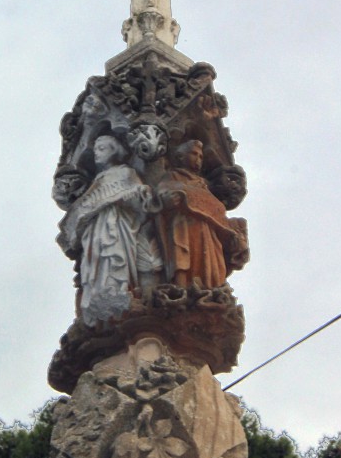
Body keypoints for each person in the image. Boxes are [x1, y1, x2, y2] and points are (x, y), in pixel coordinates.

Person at [57, 136, 161, 327]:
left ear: (115, 150)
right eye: (96, 148)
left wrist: (136, 194)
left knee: (114, 255)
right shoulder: (98, 179)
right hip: (96, 227)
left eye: (102, 148)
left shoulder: (126, 172)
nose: (97, 152)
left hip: (118, 224)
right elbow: (85, 206)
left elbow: (141, 197)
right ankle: (100, 295)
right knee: (96, 258)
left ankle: (119, 290)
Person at [158, 140, 248, 288]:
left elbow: (215, 206)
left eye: (200, 156)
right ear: (180, 157)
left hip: (206, 228)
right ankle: (182, 287)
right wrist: (172, 197)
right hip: (183, 225)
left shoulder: (203, 183)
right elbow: (163, 191)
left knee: (209, 259)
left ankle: (209, 287)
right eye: (194, 154)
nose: (198, 159)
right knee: (183, 255)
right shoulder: (173, 176)